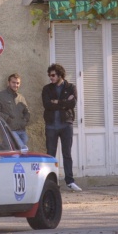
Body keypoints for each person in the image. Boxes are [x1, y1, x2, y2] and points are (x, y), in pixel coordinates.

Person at [41, 63, 81, 192]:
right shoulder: (47, 89)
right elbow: (47, 105)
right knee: (50, 155)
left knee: (67, 154)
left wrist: (57, 102)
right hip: (51, 126)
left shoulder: (71, 87)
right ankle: (50, 183)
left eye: (53, 75)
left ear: (60, 75)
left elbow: (72, 103)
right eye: (49, 75)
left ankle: (70, 181)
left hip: (66, 125)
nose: (50, 78)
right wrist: (64, 102)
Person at [0, 73, 31, 148]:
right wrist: (8, 119)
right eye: (13, 82)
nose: (16, 85)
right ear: (8, 82)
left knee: (19, 152)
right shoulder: (0, 96)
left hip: (22, 130)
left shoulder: (21, 97)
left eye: (17, 83)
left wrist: (25, 120)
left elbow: (27, 112)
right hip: (10, 130)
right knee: (22, 149)